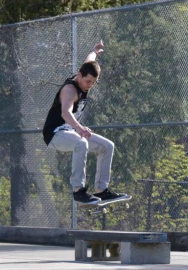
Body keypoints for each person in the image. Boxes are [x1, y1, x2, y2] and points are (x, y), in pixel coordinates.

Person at [43, 40, 128, 205]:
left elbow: (89, 61)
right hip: (55, 134)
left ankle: (101, 190)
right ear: (79, 75)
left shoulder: (86, 71)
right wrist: (80, 128)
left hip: (70, 131)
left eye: (93, 83)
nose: (89, 86)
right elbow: (65, 113)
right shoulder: (69, 90)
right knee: (81, 143)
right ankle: (78, 191)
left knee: (107, 146)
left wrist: (95, 51)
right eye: (88, 82)